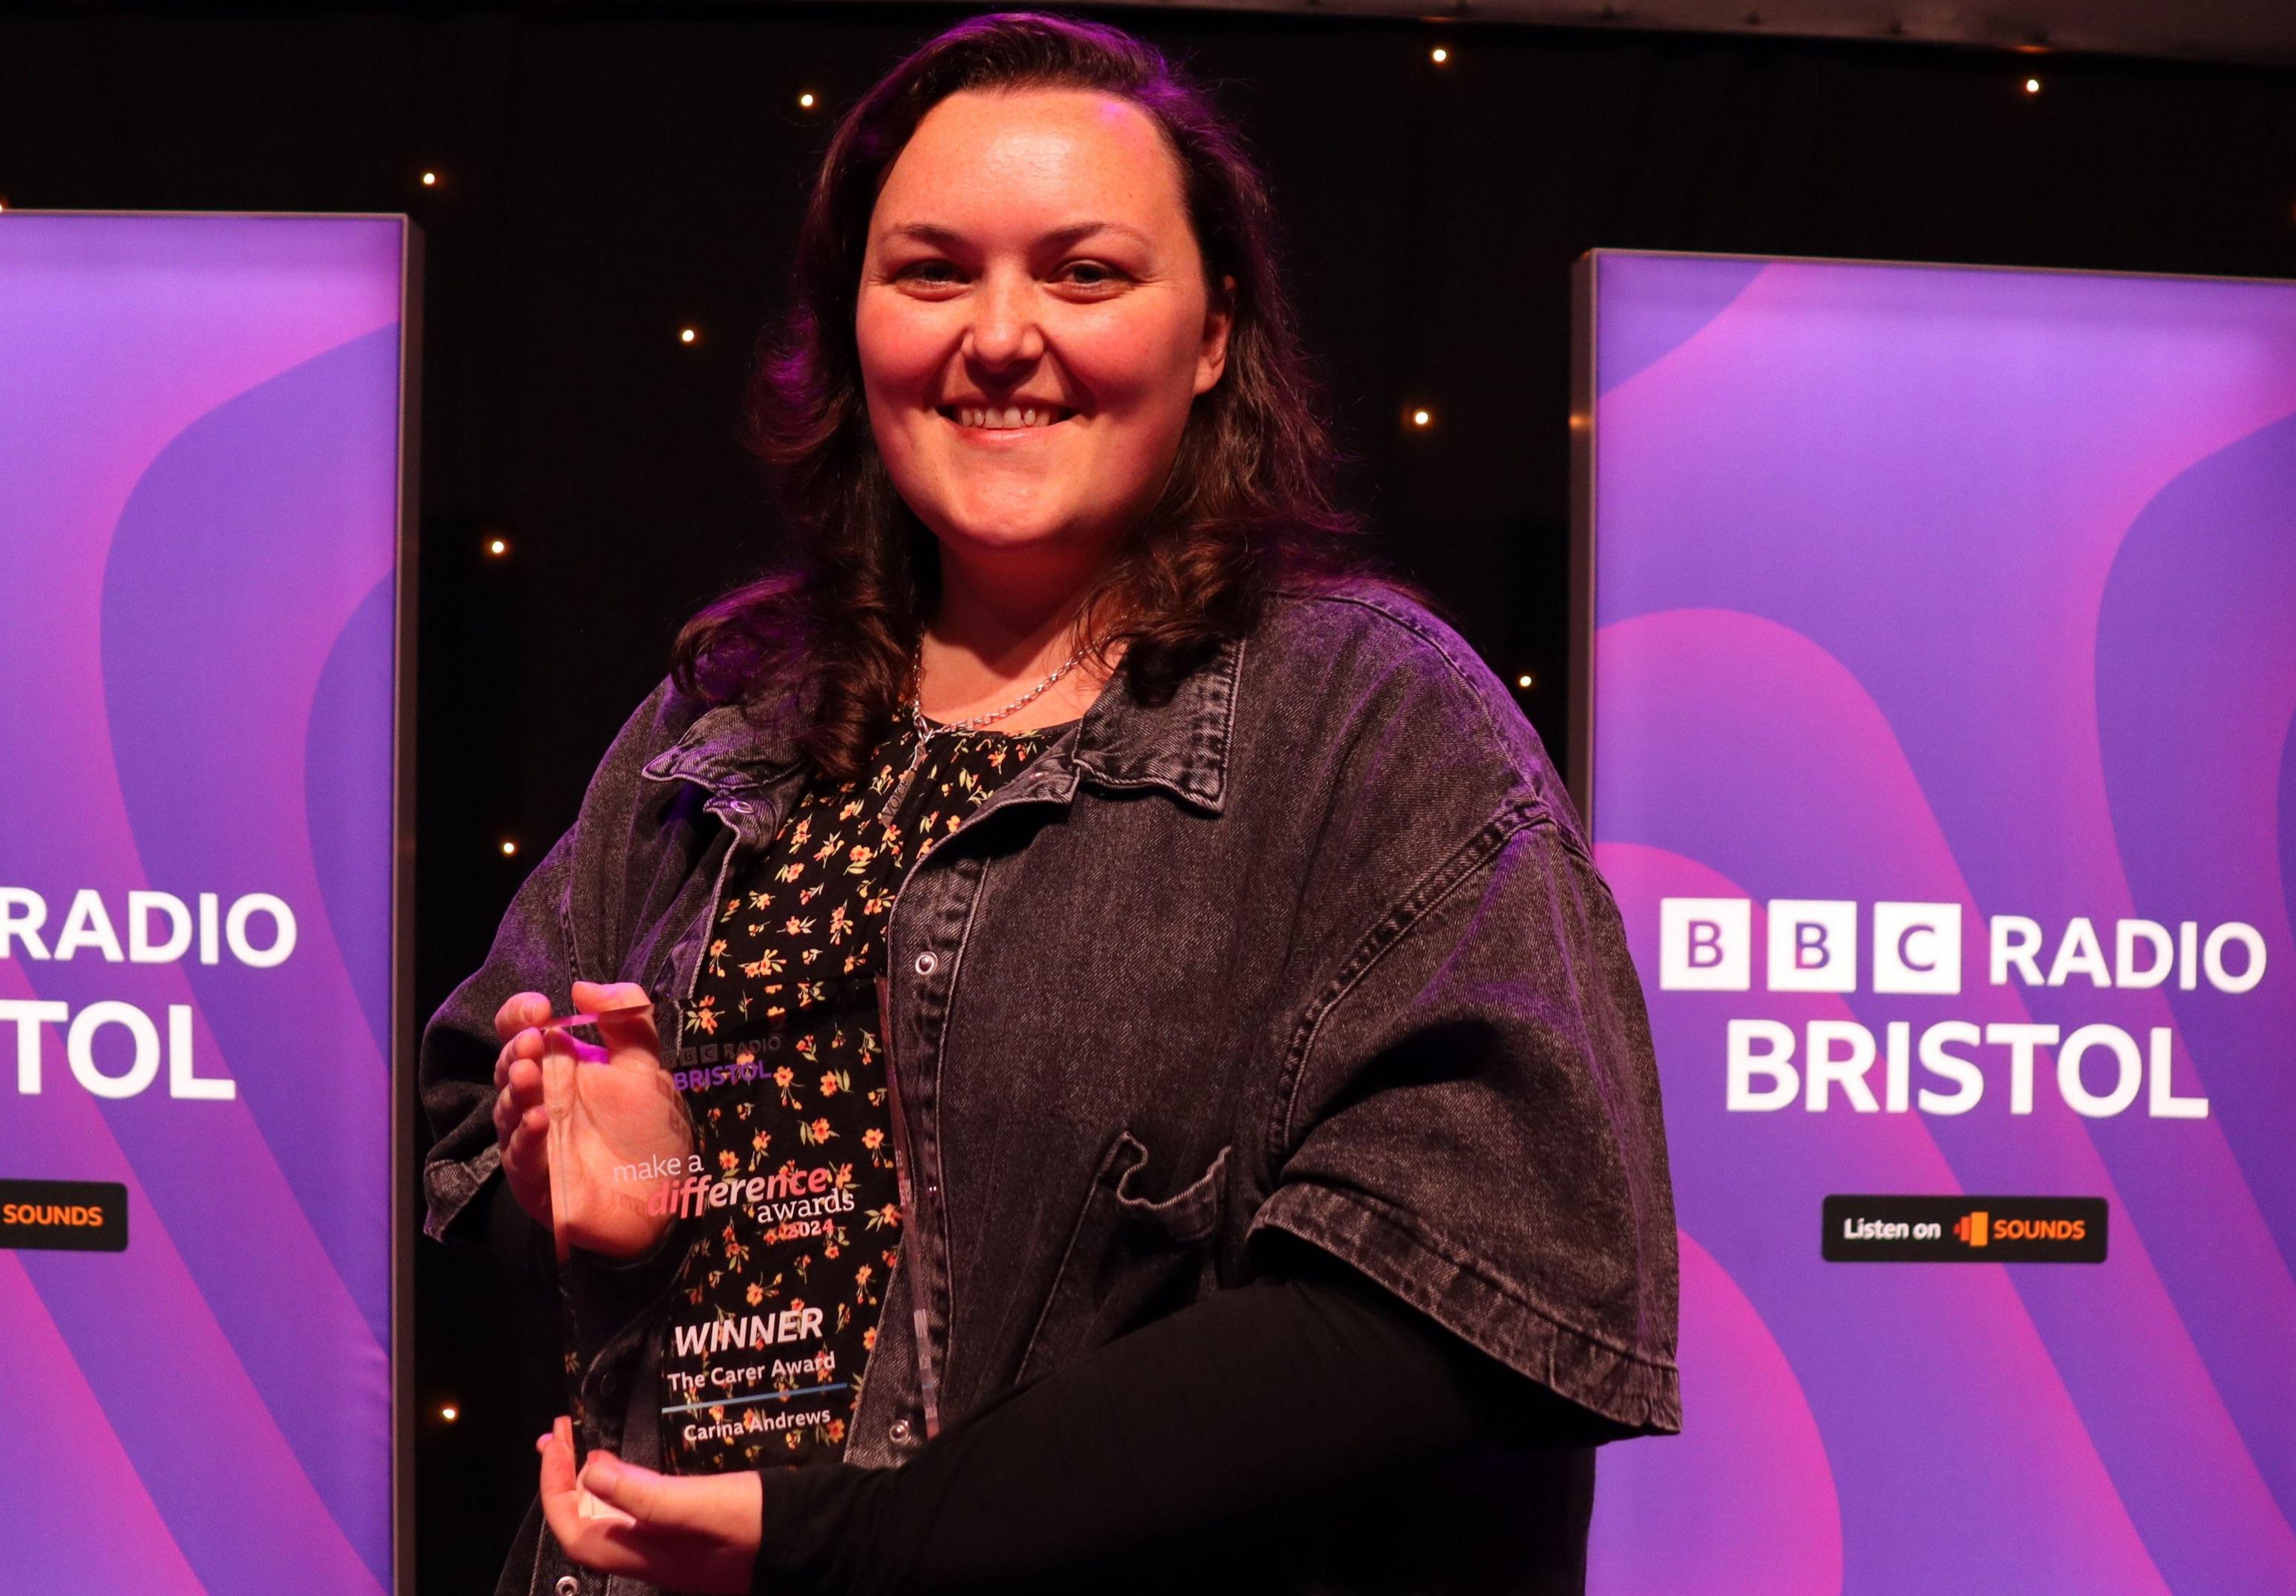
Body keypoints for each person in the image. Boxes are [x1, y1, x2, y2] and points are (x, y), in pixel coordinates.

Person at [419, 13, 1678, 1595]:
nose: (999, 336)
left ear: (1213, 335)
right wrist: (616, 1185)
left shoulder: (1370, 723)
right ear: (850, 322)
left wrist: (851, 1544)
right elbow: (493, 1124)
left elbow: (1474, 1293)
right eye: (932, 272)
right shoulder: (731, 708)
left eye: (1084, 273)